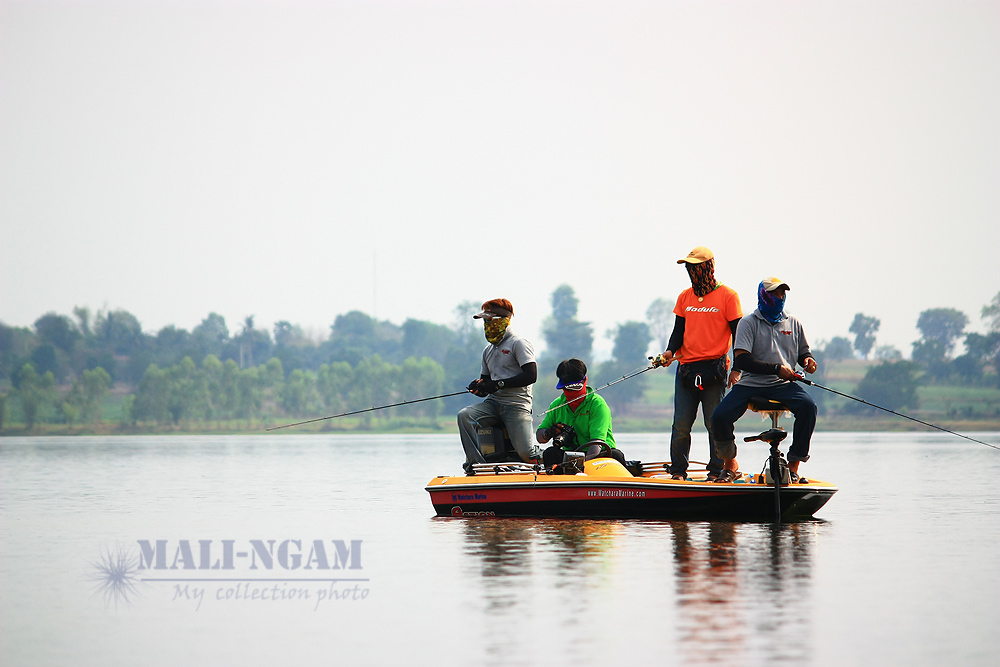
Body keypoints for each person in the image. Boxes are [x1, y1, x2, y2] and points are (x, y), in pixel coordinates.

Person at [709, 277, 819, 483]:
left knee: (808, 407)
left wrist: (808, 361)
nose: (779, 297)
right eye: (775, 293)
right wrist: (777, 369)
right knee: (719, 417)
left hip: (783, 385)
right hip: (751, 383)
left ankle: (793, 467)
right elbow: (742, 359)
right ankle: (730, 465)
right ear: (763, 295)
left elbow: (805, 353)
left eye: (782, 293)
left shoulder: (793, 322)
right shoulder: (748, 323)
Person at [652, 246, 743, 481]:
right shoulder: (685, 297)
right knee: (681, 425)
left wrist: (737, 369)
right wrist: (669, 353)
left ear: (707, 267)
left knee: (715, 424)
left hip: (715, 369)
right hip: (686, 369)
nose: (691, 271)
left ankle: (717, 471)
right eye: (688, 268)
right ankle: (679, 472)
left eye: (695, 267)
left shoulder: (728, 297)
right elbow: (678, 331)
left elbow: (739, 337)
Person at [458, 298, 541, 472]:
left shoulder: (518, 343)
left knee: (527, 453)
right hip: (493, 404)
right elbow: (487, 383)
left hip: (516, 405)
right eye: (484, 321)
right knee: (465, 416)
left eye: (488, 319)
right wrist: (479, 387)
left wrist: (498, 384)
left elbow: (531, 375)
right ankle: (476, 465)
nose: (485, 324)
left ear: (502, 320)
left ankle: (558, 458)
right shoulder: (488, 350)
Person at [535, 358, 624, 468]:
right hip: (571, 456)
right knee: (550, 453)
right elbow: (540, 438)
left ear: (585, 381)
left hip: (598, 455)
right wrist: (548, 433)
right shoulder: (557, 405)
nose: (572, 393)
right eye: (568, 389)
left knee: (616, 455)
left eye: (576, 388)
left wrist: (579, 466)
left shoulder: (597, 404)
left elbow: (596, 445)